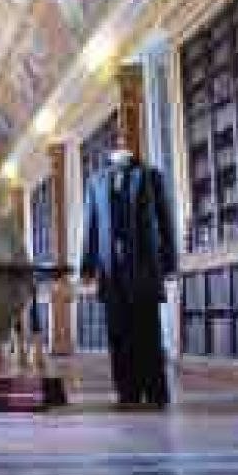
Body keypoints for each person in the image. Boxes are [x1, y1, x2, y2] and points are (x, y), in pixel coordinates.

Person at [78, 131, 177, 408]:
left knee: (148, 330)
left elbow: (165, 220)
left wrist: (169, 262)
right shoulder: (96, 181)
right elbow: (91, 226)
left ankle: (156, 392)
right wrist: (86, 266)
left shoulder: (150, 176)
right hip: (111, 269)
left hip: (144, 264)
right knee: (118, 332)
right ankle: (127, 391)